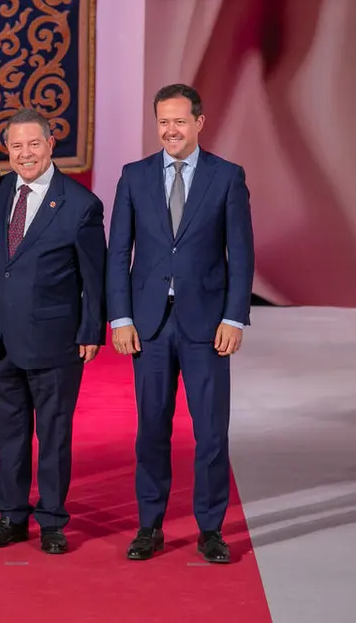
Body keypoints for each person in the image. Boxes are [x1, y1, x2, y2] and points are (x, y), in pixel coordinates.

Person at [106, 83, 254, 563]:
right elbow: (117, 255)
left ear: (199, 122)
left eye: (179, 121)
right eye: (163, 122)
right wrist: (121, 317)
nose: (171, 130)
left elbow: (242, 255)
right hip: (148, 325)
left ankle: (210, 529)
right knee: (151, 428)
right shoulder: (133, 176)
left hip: (207, 325)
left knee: (211, 432)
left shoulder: (227, 177)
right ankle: (150, 525)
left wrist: (235, 316)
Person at [0, 108, 106, 555]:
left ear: (51, 144)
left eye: (33, 144)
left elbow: (95, 277)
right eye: (16, 146)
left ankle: (51, 519)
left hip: (55, 341)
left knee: (53, 435)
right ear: (7, 151)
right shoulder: (0, 189)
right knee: (8, 437)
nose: (25, 154)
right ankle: (11, 516)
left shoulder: (80, 204)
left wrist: (92, 331)